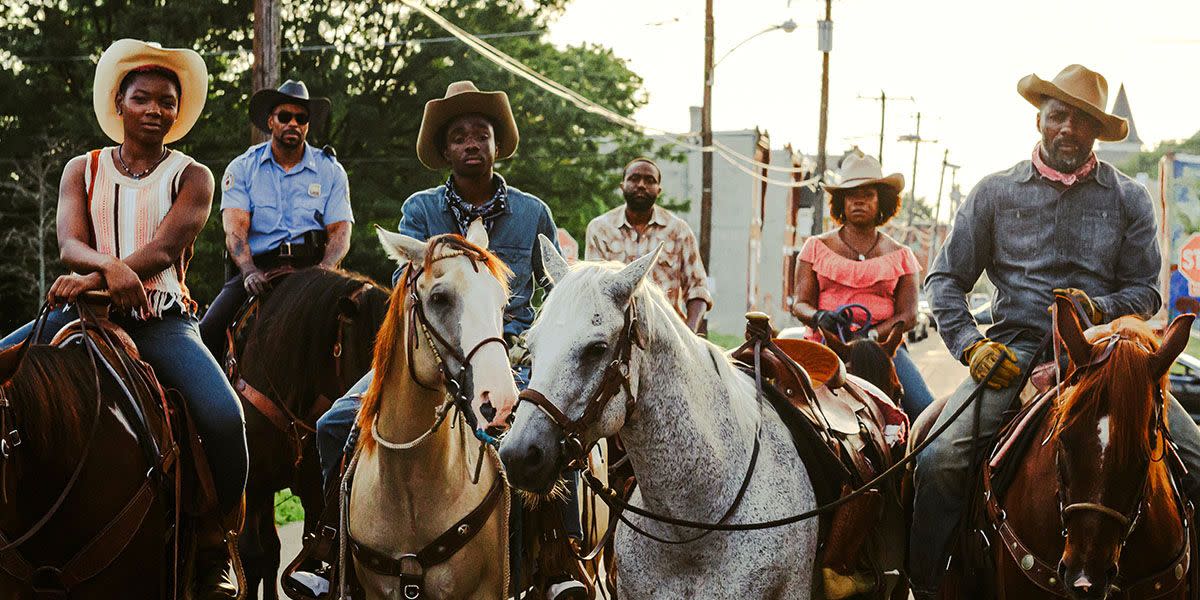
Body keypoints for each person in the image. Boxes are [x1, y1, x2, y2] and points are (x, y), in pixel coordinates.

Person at [912, 64, 1200, 598]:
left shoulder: (1129, 198)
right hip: (1015, 351)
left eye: (1082, 121)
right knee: (938, 459)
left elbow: (1147, 291)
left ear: (1096, 133)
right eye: (1058, 116)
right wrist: (972, 346)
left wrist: (1099, 307)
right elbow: (944, 280)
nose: (1068, 128)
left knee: (1196, 457)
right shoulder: (994, 194)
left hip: (1108, 353)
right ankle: (928, 587)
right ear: (1040, 119)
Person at [299, 81, 586, 600]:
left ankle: (558, 557)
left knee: (547, 436)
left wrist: (535, 349)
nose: (471, 142)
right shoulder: (420, 212)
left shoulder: (533, 213)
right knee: (334, 423)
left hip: (509, 352)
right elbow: (409, 290)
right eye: (458, 136)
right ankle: (328, 546)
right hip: (432, 352)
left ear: (497, 145)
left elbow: (557, 289)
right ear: (445, 150)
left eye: (481, 133)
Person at [0, 39, 247, 598]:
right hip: (77, 314)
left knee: (224, 414)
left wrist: (97, 276)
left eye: (167, 102)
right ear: (119, 103)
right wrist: (101, 276)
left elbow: (163, 250)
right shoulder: (79, 170)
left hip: (159, 319)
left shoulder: (195, 176)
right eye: (143, 99)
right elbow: (68, 243)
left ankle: (216, 540)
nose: (156, 110)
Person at [197, 80, 351, 359]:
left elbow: (340, 231)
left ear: (307, 125)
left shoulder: (331, 170)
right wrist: (248, 270)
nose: (293, 123)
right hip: (259, 270)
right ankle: (199, 401)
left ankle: (362, 401)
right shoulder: (243, 168)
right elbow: (235, 231)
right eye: (285, 116)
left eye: (301, 118)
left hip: (313, 269)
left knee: (360, 331)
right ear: (271, 121)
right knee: (206, 334)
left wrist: (325, 270)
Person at [789, 150, 935, 418]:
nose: (859, 201)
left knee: (926, 412)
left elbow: (909, 315)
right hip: (824, 344)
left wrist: (870, 337)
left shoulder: (902, 256)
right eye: (851, 195)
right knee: (786, 412)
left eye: (868, 194)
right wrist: (820, 316)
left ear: (882, 201)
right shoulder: (815, 248)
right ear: (841, 202)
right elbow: (800, 304)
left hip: (883, 351)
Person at [584, 157, 712, 331]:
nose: (642, 185)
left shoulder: (678, 230)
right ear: (622, 185)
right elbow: (595, 290)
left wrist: (689, 334)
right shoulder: (600, 228)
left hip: (668, 333)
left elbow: (698, 289)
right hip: (616, 333)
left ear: (659, 190)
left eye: (650, 180)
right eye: (634, 178)